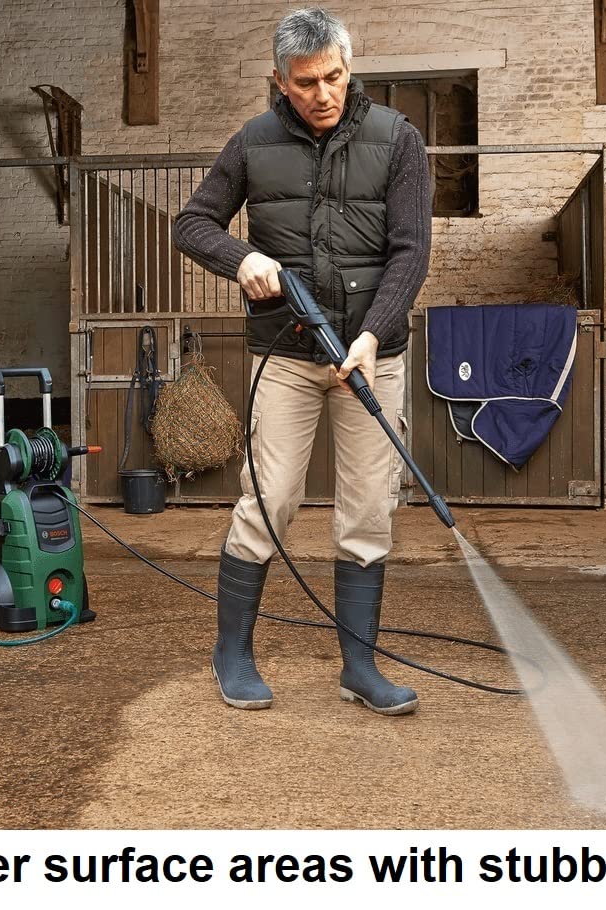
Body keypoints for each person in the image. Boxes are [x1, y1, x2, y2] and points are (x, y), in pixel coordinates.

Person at [173, 7, 432, 716]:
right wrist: (243, 257)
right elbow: (191, 224)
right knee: (272, 498)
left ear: (350, 68)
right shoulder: (253, 143)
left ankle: (359, 667)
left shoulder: (398, 140)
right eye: (306, 82)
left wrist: (374, 335)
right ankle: (233, 655)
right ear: (280, 80)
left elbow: (411, 252)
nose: (323, 93)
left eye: (335, 76)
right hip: (285, 354)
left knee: (368, 508)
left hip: (371, 353)